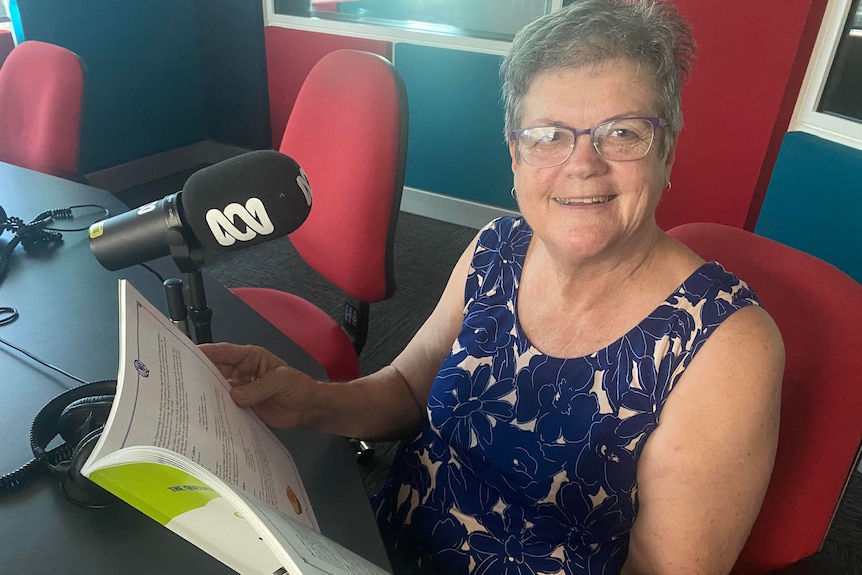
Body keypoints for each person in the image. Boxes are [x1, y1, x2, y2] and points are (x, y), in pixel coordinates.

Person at [200, 0, 784, 573]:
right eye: (548, 135)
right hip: (375, 543)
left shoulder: (725, 349)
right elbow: (407, 389)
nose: (582, 163)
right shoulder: (499, 247)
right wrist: (312, 400)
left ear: (668, 151)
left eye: (622, 132)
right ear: (515, 155)